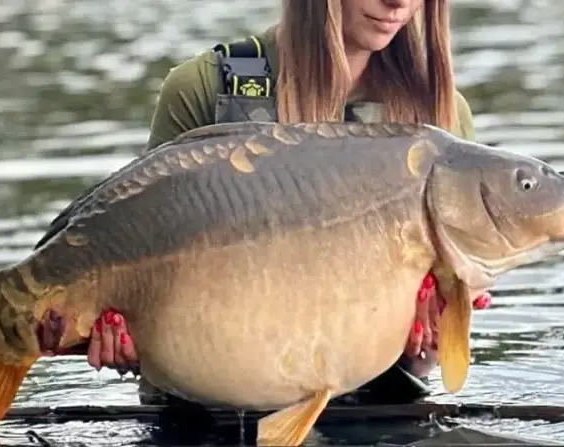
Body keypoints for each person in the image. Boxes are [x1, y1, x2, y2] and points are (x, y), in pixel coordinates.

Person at [81, 0, 493, 410]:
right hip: (201, 416)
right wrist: (135, 340)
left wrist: (432, 340)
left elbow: (424, 363)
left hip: (376, 413)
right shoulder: (205, 89)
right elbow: (135, 265)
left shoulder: (442, 118)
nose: (399, 2)